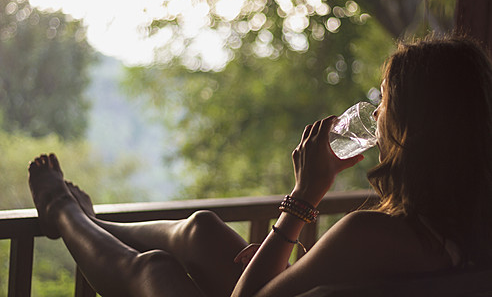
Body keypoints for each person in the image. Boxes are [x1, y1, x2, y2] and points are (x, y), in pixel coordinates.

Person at [28, 35, 492, 297]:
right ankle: (91, 219)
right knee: (202, 230)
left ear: (412, 127)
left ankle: (63, 213)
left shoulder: (373, 234)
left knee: (154, 271)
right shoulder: (465, 232)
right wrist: (301, 267)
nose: (374, 115)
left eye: (385, 101)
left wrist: (304, 196)